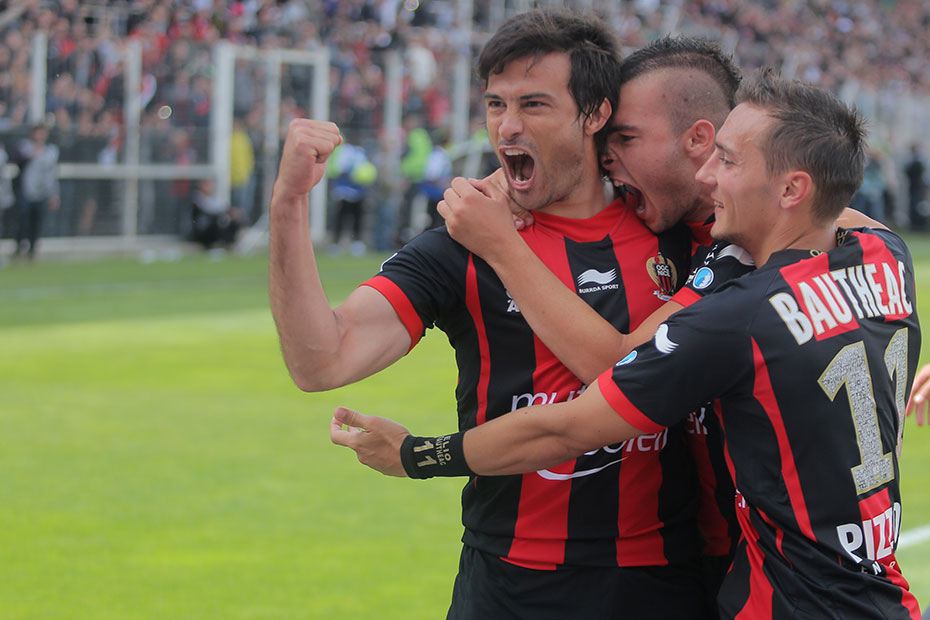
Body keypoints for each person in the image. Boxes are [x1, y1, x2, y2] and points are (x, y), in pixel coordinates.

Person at [332, 69, 923, 620]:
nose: (707, 176)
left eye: (727, 160)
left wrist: (417, 455)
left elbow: (567, 427)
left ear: (792, 188)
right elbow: (835, 215)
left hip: (792, 603)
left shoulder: (737, 317)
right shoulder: (886, 255)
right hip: (884, 594)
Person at [271, 9, 707, 619]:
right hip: (508, 584)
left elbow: (633, 377)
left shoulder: (674, 234)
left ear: (594, 114)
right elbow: (322, 361)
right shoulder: (461, 243)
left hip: (661, 583)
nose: (508, 125)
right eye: (496, 104)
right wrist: (289, 204)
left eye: (534, 105)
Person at [12, 124, 60, 260]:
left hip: (42, 193)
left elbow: (52, 175)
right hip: (26, 191)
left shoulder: (50, 151)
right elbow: (18, 161)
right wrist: (32, 154)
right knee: (23, 221)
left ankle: (32, 251)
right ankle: (18, 248)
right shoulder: (25, 147)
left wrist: (54, 194)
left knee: (37, 222)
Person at [189, 178, 242, 250]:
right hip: (202, 231)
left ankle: (230, 243)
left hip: (211, 226)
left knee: (234, 219)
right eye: (207, 185)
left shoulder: (212, 198)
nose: (210, 187)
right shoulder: (197, 197)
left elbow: (220, 208)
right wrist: (225, 213)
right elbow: (209, 210)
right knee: (218, 221)